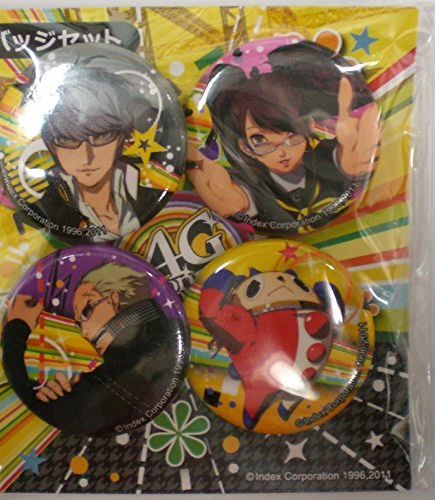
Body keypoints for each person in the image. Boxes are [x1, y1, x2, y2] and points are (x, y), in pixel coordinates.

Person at [188, 42, 380, 230]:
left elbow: (343, 160)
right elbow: (240, 199)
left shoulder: (327, 157)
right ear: (245, 147)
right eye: (259, 140)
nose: (281, 152)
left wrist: (349, 163)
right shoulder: (250, 186)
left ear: (309, 124)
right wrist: (233, 199)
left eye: (290, 132)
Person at [1, 262, 184, 436]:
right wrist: (69, 395)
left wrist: (18, 327)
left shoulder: (120, 365)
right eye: (78, 323)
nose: (84, 332)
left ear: (113, 299)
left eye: (86, 312)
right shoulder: (162, 332)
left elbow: (47, 411)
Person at [26, 60, 159, 240]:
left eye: (102, 136)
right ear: (51, 146)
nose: (86, 157)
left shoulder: (149, 196)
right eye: (67, 139)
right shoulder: (46, 211)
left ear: (121, 138)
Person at [199, 268, 344, 429]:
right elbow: (212, 316)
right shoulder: (246, 320)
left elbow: (211, 313)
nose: (283, 282)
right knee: (256, 404)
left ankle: (284, 406)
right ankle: (264, 412)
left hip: (302, 377)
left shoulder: (315, 308)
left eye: (298, 284)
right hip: (267, 380)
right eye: (254, 289)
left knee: (282, 394)